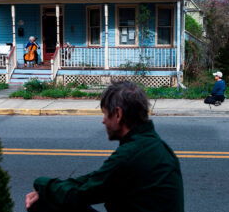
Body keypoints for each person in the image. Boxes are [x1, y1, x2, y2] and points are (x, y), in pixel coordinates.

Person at [25, 81, 184, 212]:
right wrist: (51, 189)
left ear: (118, 114)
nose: (103, 121)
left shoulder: (131, 154)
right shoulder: (153, 145)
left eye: (104, 113)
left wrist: (43, 185)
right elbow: (96, 179)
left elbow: (85, 193)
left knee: (45, 204)